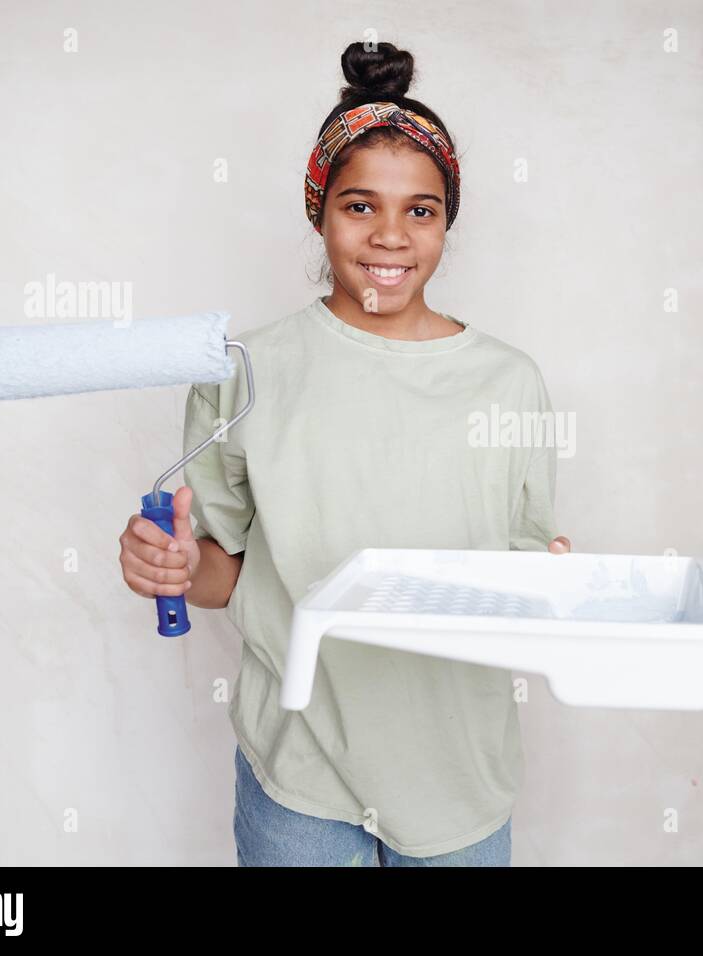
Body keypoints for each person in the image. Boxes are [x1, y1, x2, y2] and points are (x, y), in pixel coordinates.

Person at [118, 39, 570, 866]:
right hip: (299, 781)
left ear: (447, 222)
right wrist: (179, 563)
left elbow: (522, 578)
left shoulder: (511, 384)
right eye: (360, 206)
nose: (390, 237)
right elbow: (227, 571)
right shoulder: (244, 371)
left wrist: (554, 590)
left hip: (457, 783)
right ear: (318, 211)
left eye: (420, 211)